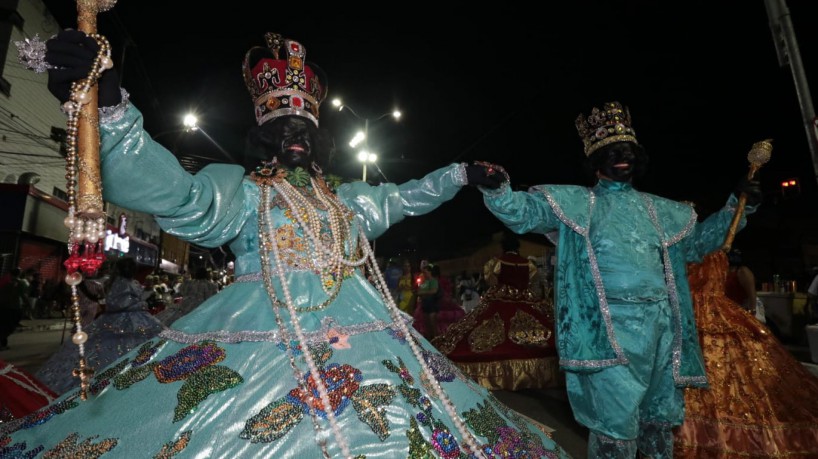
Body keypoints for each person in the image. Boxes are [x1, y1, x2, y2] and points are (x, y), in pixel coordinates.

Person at [0, 30, 570, 458]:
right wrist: (112, 109)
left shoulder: (347, 198)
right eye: (283, 129)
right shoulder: (243, 192)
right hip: (261, 332)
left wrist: (458, 176)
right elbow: (174, 192)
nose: (296, 136)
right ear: (264, 137)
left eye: (305, 130)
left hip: (366, 334)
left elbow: (402, 198)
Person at [471, 101, 762, 458]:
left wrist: (739, 205)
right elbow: (523, 212)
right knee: (615, 428)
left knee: (657, 423)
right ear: (595, 161)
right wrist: (498, 188)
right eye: (611, 152)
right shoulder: (578, 204)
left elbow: (700, 243)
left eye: (627, 151)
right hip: (609, 333)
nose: (621, 157)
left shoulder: (661, 210)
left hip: (662, 331)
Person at [672, 249, 818, 458]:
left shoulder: (737, 269)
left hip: (718, 313)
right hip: (691, 315)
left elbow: (751, 299)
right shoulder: (688, 250)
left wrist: (751, 312)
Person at [432, 233, 559, 391]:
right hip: (526, 300)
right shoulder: (529, 263)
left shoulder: (496, 262)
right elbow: (531, 281)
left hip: (500, 299)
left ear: (503, 248)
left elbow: (490, 280)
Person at [35, 256, 166, 395]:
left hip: (128, 318)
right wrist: (140, 304)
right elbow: (119, 303)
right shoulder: (119, 284)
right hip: (121, 319)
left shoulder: (122, 282)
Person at [724, 248, 763, 322]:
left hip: (748, 306)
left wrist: (752, 312)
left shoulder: (743, 271)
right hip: (735, 308)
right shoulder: (724, 272)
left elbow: (752, 294)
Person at [0, 268, 27, 350]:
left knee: (3, 325)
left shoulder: (4, 281)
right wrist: (27, 304)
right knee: (9, 326)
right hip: (14, 307)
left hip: (3, 306)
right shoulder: (21, 283)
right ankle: (2, 343)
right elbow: (23, 295)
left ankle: (3, 343)